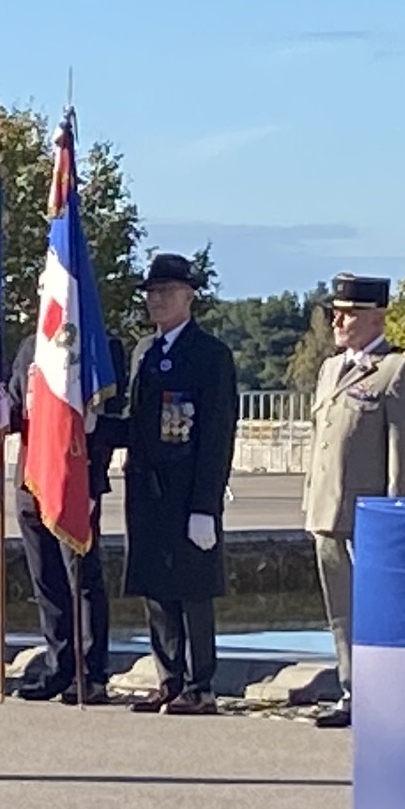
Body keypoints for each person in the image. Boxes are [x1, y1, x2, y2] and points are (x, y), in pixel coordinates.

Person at [298, 275, 405, 726]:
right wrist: (310, 504)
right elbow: (323, 443)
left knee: (375, 610)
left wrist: (397, 518)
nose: (338, 320)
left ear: (377, 316)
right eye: (336, 311)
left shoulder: (397, 369)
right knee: (341, 612)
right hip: (327, 512)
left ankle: (383, 694)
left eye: (349, 313)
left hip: (368, 516)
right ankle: (352, 689)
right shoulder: (332, 369)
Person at [116, 253, 238, 713]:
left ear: (189, 297)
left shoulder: (210, 356)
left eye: (167, 292)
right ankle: (168, 676)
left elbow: (218, 434)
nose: (157, 301)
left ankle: (200, 684)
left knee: (193, 589)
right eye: (152, 293)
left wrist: (205, 505)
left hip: (188, 489)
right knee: (155, 586)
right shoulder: (144, 353)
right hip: (147, 489)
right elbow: (138, 424)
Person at [9, 303, 118, 703]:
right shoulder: (27, 349)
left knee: (82, 581)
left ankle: (91, 673)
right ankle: (59, 667)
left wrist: (91, 483)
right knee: (47, 581)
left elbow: (103, 424)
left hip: (74, 481)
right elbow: (17, 408)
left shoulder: (96, 348)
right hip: (30, 481)